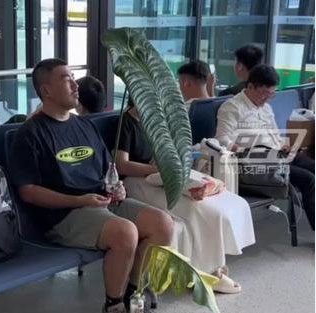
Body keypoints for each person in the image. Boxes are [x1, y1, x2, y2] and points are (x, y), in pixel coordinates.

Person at [9, 58, 173, 313]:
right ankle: (114, 304)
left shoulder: (84, 125)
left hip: (102, 201)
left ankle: (133, 288)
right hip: (64, 214)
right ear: (46, 91)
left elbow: (108, 168)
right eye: (67, 79)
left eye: (74, 78)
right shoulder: (30, 133)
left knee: (162, 224)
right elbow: (28, 192)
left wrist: (117, 186)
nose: (76, 85)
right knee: (125, 232)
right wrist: (79, 200)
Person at [116, 97, 255, 294]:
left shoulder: (155, 121)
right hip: (136, 181)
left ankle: (212, 269)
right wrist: (156, 168)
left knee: (214, 203)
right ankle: (211, 274)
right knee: (197, 209)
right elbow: (121, 165)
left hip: (162, 176)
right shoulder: (125, 123)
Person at [216, 64, 315, 230]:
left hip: (278, 155)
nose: (267, 99)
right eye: (264, 93)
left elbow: (275, 134)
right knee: (309, 180)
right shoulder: (232, 107)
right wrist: (243, 150)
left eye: (271, 94)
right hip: (256, 162)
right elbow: (221, 139)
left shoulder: (266, 107)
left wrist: (284, 145)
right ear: (250, 86)